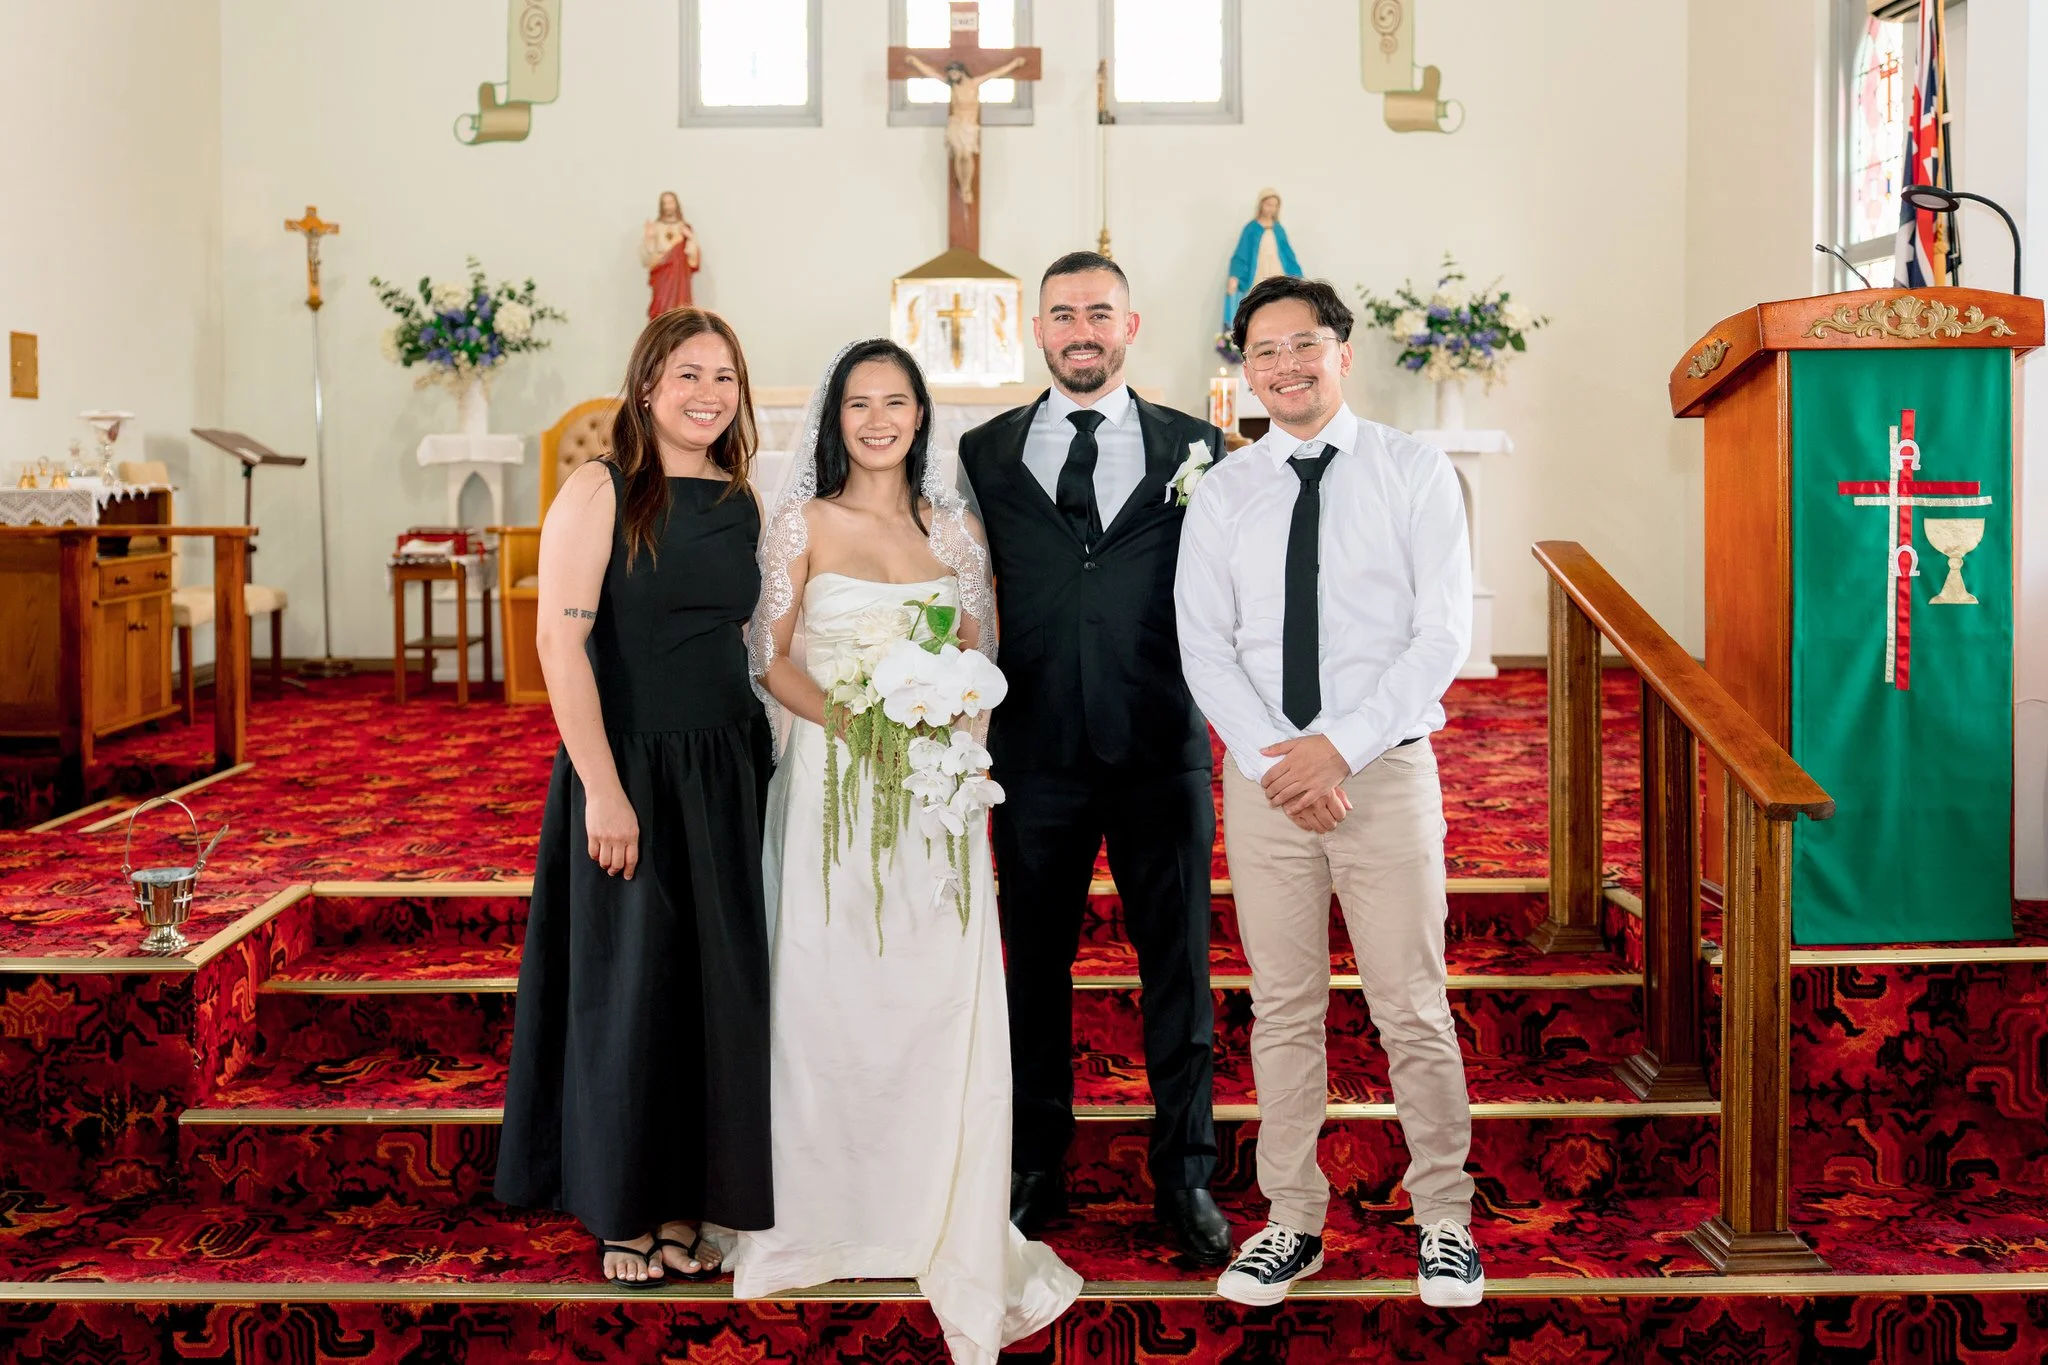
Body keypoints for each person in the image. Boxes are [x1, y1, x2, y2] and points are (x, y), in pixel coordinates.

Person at [733, 338, 1080, 1364]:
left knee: (930, 999)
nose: (877, 420)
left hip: (933, 795)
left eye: (896, 403)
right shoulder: (802, 522)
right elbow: (770, 656)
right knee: (827, 991)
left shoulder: (955, 531)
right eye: (857, 405)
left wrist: (946, 738)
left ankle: (931, 1209)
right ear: (834, 419)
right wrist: (856, 730)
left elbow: (979, 656)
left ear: (921, 416)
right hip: (836, 781)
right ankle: (821, 1210)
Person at [1175, 275, 1483, 1308]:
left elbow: (1438, 633)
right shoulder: (1223, 491)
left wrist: (1337, 748)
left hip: (1381, 771)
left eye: (1300, 345)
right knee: (1283, 1009)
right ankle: (1289, 1220)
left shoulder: (1410, 469)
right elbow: (1203, 648)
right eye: (1261, 353)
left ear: (1340, 351)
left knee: (1410, 1004)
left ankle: (1442, 1215)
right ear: (1244, 370)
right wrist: (1279, 758)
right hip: (1267, 785)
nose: (1283, 366)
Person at [957, 251, 1231, 1264]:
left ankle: (1185, 1173)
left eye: (1099, 313)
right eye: (1062, 313)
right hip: (1031, 758)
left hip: (1158, 747)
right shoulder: (982, 456)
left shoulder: (1194, 445)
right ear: (1037, 330)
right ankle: (1036, 1162)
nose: (1081, 329)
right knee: (1033, 968)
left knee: (1180, 973)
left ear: (1132, 326)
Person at [496, 308, 774, 1287]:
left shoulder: (741, 500)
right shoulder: (600, 489)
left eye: (725, 379)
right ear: (647, 384)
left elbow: (758, 648)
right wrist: (605, 793)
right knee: (632, 996)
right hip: (631, 768)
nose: (707, 394)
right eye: (688, 374)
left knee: (712, 999)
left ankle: (694, 1202)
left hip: (726, 770)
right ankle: (624, 1211)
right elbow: (556, 645)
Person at [1222, 189, 1302, 336]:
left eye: (1274, 205)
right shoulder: (1251, 228)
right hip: (1258, 272)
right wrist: (1235, 275)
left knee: (1279, 303)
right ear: (1261, 205)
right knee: (1259, 304)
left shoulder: (1279, 229)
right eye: (1268, 204)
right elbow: (1241, 254)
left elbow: (1288, 255)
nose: (1271, 208)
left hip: (1277, 271)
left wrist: (1297, 276)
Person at [642, 191, 700, 318]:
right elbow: (647, 260)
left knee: (680, 313)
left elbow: (693, 260)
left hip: (680, 279)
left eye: (670, 202)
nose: (668, 206)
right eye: (665, 203)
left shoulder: (684, 228)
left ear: (676, 204)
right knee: (661, 309)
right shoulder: (656, 227)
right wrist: (649, 238)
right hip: (662, 278)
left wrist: (690, 238)